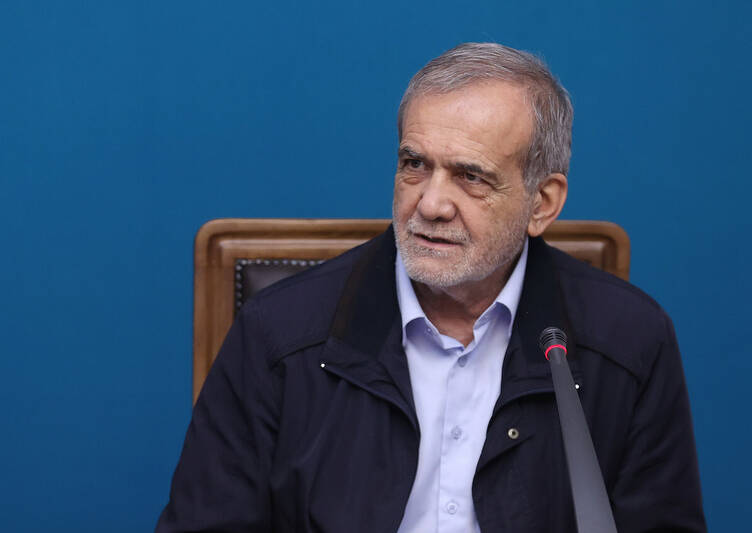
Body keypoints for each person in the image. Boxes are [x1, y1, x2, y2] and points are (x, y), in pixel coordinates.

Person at [156, 43, 706, 532]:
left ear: (542, 203)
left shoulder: (629, 340)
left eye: (471, 176)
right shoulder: (279, 332)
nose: (431, 204)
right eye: (414, 165)